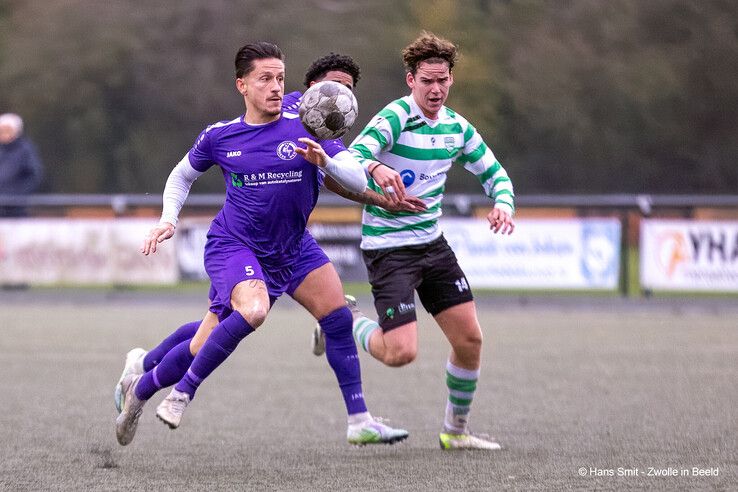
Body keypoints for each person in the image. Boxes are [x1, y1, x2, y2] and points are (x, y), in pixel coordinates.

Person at [115, 42, 409, 447]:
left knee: (338, 317)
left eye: (279, 78)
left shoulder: (310, 122)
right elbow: (181, 176)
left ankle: (359, 420)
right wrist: (168, 220)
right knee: (223, 327)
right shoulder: (222, 136)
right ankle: (147, 385)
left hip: (293, 247)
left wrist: (336, 167)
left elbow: (352, 178)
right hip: (238, 245)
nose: (274, 87)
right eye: (265, 79)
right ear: (243, 85)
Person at [315, 31, 516, 451]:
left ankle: (455, 432)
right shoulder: (394, 117)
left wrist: (503, 204)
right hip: (389, 249)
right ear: (411, 80)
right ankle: (341, 322)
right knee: (399, 353)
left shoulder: (457, 128)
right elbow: (352, 157)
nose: (436, 89)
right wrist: (374, 168)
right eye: (427, 80)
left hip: (433, 246)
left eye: (442, 80)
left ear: (451, 80)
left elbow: (494, 172)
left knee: (470, 341)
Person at [0, 113, 43, 217]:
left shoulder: (26, 150)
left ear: (17, 131)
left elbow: (33, 176)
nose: (3, 134)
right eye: (1, 131)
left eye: (7, 130)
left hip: (15, 208)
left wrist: (16, 197)